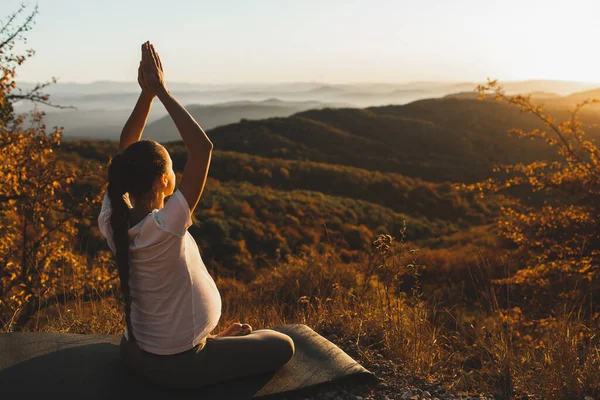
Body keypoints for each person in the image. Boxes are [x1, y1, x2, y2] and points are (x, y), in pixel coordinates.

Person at [97, 41, 294, 389]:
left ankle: (220, 343)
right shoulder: (165, 225)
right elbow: (202, 148)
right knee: (284, 346)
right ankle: (220, 345)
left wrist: (146, 95)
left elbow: (127, 148)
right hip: (179, 364)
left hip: (136, 351)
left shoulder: (113, 217)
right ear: (162, 180)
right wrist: (161, 91)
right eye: (172, 168)